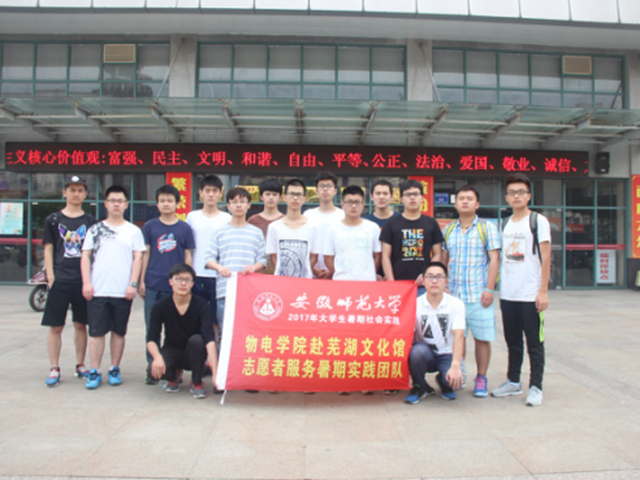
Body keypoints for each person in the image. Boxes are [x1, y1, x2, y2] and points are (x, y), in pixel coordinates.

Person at [491, 173, 551, 407]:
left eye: (521, 192)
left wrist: (543, 291)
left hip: (530, 294)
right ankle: (513, 381)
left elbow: (546, 257)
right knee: (513, 341)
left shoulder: (538, 221)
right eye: (512, 193)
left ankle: (536, 386)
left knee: (535, 342)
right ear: (506, 197)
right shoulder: (505, 223)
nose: (516, 196)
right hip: (509, 293)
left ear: (529, 196)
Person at [81, 185, 145, 389]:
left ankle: (114, 368)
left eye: (120, 201)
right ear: (106, 204)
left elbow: (138, 258)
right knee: (96, 333)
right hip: (97, 290)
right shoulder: (95, 230)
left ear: (126, 205)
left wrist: (133, 284)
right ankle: (95, 370)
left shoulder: (133, 231)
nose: (116, 204)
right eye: (112, 201)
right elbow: (85, 256)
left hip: (122, 291)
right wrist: (86, 282)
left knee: (119, 332)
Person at [441, 185, 500, 398]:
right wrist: (444, 286)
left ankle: (481, 377)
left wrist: (489, 289)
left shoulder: (487, 228)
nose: (465, 201)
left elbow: (494, 259)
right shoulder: (448, 229)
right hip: (455, 297)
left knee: (482, 339)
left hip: (479, 296)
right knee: (458, 338)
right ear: (455, 204)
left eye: (469, 198)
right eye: (461, 198)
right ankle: (460, 373)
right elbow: (443, 260)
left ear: (477, 204)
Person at [41, 174, 97, 387]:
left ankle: (80, 365)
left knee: (81, 325)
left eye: (80, 190)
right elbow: (48, 249)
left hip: (82, 281)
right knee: (55, 326)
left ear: (85, 194)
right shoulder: (53, 220)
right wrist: (51, 276)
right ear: (64, 192)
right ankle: (54, 367)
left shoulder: (90, 221)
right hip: (60, 280)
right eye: (72, 190)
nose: (76, 194)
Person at [140, 184, 195, 383]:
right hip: (153, 284)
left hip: (176, 287)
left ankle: (173, 368)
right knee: (152, 329)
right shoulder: (150, 226)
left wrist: (188, 281)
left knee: (174, 330)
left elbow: (188, 255)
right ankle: (152, 368)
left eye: (170, 201)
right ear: (157, 204)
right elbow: (146, 254)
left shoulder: (184, 228)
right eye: (162, 200)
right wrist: (141, 280)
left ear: (177, 204)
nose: (166, 204)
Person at [205, 187, 266, 346]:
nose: (238, 205)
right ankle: (222, 363)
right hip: (225, 290)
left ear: (249, 205)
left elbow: (263, 260)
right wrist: (219, 268)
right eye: (234, 202)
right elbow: (209, 259)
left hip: (249, 292)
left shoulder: (256, 232)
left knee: (248, 333)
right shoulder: (220, 232)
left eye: (242, 202)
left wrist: (254, 267)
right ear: (228, 206)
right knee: (224, 335)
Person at [146, 264, 218, 399]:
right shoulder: (160, 306)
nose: (183, 283)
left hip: (194, 352)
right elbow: (151, 339)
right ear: (170, 282)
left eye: (187, 280)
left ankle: (196, 382)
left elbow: (209, 339)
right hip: (172, 350)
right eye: (179, 279)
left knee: (198, 340)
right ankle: (173, 376)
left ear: (192, 284)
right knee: (152, 372)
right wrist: (157, 358)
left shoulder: (202, 305)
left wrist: (215, 372)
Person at [404, 261, 465, 404]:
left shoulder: (456, 304)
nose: (434, 281)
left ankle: (443, 382)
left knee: (458, 382)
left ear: (446, 282)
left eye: (439, 277)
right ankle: (420, 386)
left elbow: (459, 336)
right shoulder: (415, 304)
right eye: (430, 277)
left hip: (447, 354)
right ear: (423, 281)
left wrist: (455, 365)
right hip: (426, 353)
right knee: (416, 352)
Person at [186, 175, 230, 350]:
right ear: (200, 193)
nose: (211, 194)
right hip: (197, 274)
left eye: (215, 191)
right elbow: (188, 248)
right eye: (207, 191)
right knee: (197, 318)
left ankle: (214, 358)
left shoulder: (226, 218)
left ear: (220, 194)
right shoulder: (192, 217)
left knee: (216, 320)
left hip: (219, 275)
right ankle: (199, 355)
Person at [381, 179, 443, 295]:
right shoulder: (391, 224)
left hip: (424, 285)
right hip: (398, 284)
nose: (412, 198)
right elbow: (385, 256)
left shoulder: (431, 223)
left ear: (422, 198)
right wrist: (391, 282)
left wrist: (427, 274)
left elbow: (437, 254)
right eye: (408, 195)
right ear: (402, 199)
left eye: (416, 194)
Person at [324, 185, 381, 282]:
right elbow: (328, 258)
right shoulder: (333, 229)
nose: (353, 206)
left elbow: (378, 256)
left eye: (357, 202)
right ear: (342, 204)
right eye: (349, 202)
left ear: (363, 204)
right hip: (341, 282)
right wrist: (340, 274)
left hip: (368, 282)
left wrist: (370, 274)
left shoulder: (373, 228)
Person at [266, 179, 318, 278]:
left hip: (305, 282)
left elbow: (314, 256)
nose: (295, 198)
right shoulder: (274, 227)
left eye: (299, 195)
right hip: (281, 282)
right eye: (292, 194)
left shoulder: (313, 227)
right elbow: (273, 257)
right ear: (284, 197)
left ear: (304, 199)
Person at [303, 171, 344, 279]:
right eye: (321, 186)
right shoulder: (308, 215)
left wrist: (332, 270)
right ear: (316, 191)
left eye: (329, 186)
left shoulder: (343, 215)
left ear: (335, 191)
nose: (325, 189)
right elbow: (304, 244)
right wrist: (313, 269)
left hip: (337, 273)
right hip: (311, 272)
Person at [248, 178, 284, 274]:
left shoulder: (286, 221)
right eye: (267, 194)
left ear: (280, 197)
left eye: (274, 194)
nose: (271, 198)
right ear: (261, 197)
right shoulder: (253, 221)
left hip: (280, 271)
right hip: (256, 271)